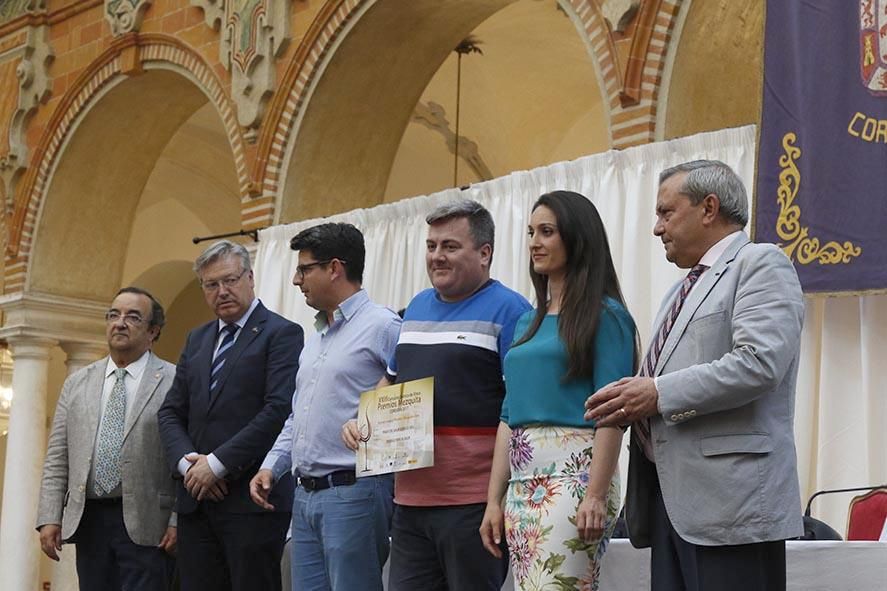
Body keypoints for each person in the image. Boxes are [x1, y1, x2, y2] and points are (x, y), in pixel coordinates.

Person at [585, 160, 805, 591]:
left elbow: (759, 363)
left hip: (731, 507)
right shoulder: (679, 289)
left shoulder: (760, 263)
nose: (656, 228)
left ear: (709, 208)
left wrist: (656, 393)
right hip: (672, 502)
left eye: (666, 213)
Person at [345, 200, 532, 591]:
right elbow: (391, 381)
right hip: (410, 502)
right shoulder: (415, 306)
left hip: (474, 503)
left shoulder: (512, 310)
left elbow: (519, 405)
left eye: (449, 246)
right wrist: (363, 423)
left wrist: (497, 500)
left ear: (485, 253)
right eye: (431, 246)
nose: (436, 256)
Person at [480, 191, 637, 590]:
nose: (534, 241)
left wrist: (597, 495)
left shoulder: (608, 316)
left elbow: (612, 414)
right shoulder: (525, 324)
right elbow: (508, 416)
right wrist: (493, 500)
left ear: (576, 237)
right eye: (531, 231)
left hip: (576, 479)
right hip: (522, 483)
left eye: (546, 231)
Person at [249, 223, 400, 591]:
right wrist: (272, 466)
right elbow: (297, 416)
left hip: (355, 492)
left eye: (304, 269)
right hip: (305, 497)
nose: (296, 280)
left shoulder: (384, 326)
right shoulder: (316, 339)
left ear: (334, 268)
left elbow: (405, 398)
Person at [158, 240, 303, 591]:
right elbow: (170, 412)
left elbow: (278, 411)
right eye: (211, 284)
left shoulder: (282, 333)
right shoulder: (197, 339)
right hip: (198, 504)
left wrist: (218, 464)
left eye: (231, 280)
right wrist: (191, 468)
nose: (222, 291)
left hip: (252, 503)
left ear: (250, 278)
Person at [36, 287, 177, 590]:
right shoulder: (78, 383)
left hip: (149, 521)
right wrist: (50, 517)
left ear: (153, 331)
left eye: (132, 317)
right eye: (114, 315)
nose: (120, 323)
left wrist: (177, 520)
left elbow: (185, 460)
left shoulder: (174, 381)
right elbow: (58, 457)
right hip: (90, 519)